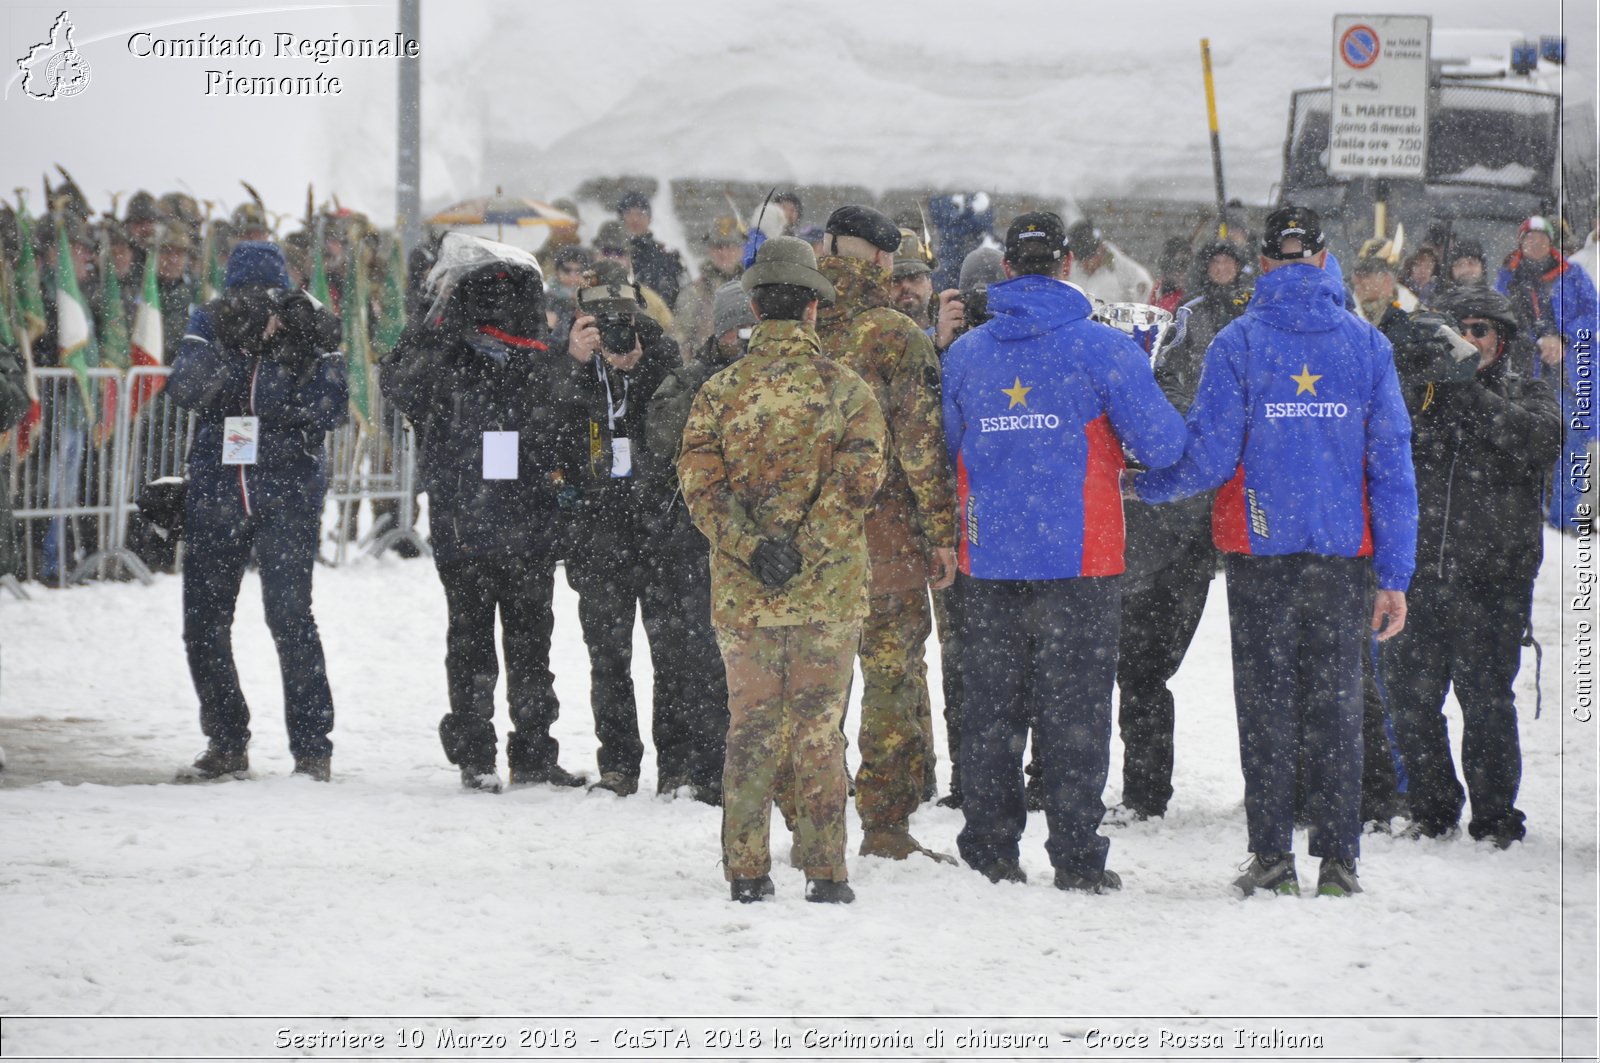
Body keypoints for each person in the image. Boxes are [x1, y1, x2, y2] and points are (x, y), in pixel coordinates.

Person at [1130, 206, 1417, 897]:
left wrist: (1140, 483)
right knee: (1339, 704)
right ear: (1325, 259)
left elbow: (1208, 457)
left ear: (1262, 264)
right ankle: (1340, 859)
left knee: (1267, 707)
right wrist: (1396, 574)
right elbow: (1393, 467)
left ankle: (1272, 856)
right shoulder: (1366, 345)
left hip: (1260, 555)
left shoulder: (1238, 342)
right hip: (1344, 557)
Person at [942, 211, 1187, 893]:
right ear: (1067, 262)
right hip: (1081, 558)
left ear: (1008, 269)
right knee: (1076, 711)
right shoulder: (1105, 348)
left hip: (990, 560)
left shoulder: (966, 353)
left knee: (992, 708)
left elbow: (950, 446)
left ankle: (990, 851)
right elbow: (1166, 445)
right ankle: (1076, 854)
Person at [678, 235, 886, 904]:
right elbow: (859, 481)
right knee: (820, 733)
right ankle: (825, 870)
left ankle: (746, 870)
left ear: (756, 304)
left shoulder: (718, 392)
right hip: (826, 593)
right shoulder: (846, 389)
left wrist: (752, 545)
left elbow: (699, 487)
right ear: (813, 311)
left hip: (746, 597)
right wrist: (805, 543)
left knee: (751, 730)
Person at [380, 234, 588, 793]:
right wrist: (436, 320)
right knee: (477, 641)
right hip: (468, 525)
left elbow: (557, 427)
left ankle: (533, 754)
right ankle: (477, 753)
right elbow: (398, 382)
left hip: (518, 525)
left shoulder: (535, 362)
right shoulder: (444, 354)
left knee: (526, 643)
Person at [1382, 286, 1561, 846]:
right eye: (1460, 330)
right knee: (1411, 702)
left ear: (1502, 341)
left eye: (1482, 331)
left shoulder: (1530, 393)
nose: (1471, 340)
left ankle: (1495, 817)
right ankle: (1433, 810)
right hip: (1419, 578)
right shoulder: (1421, 395)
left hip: (1494, 584)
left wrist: (1468, 392)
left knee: (1486, 703)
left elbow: (1537, 440)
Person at [165, 241, 348, 782]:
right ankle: (226, 741)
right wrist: (238, 347)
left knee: (290, 617)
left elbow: (332, 404)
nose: (258, 305)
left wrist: (291, 352)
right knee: (203, 622)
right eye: (245, 295)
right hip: (218, 490)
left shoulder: (310, 322)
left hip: (288, 492)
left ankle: (313, 749)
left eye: (268, 294)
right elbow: (185, 387)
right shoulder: (212, 319)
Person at [816, 204, 958, 862]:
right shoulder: (894, 334)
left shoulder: (792, 324)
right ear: (881, 259)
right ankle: (885, 824)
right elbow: (921, 448)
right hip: (886, 537)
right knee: (892, 678)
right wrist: (941, 532)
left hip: (804, 541)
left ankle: (810, 820)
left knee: (813, 683)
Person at [1112, 240, 1250, 821]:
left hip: (1192, 534)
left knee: (1146, 669)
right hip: (1162, 533)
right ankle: (1143, 793)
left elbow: (1189, 445)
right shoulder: (1182, 335)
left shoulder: (1231, 348)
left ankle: (1147, 792)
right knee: (1140, 669)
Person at [556, 262, 678, 796]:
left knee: (671, 655)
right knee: (608, 658)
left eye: (620, 317)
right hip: (596, 530)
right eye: (598, 318)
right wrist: (574, 366)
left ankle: (676, 766)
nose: (612, 329)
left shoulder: (664, 357)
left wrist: (639, 368)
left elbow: (676, 428)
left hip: (656, 530)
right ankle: (619, 765)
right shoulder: (567, 361)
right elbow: (549, 431)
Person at [637, 281, 756, 804]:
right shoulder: (686, 383)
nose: (747, 339)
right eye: (738, 330)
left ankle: (734, 766)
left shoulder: (773, 382)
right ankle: (683, 765)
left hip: (750, 546)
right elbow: (662, 445)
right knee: (683, 659)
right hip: (687, 543)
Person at [1496, 215, 1599, 533]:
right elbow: (1503, 318)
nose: (1536, 244)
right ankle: (1529, 512)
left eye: (1542, 238)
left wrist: (1564, 338)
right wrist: (1537, 341)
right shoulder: (1509, 277)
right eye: (1530, 238)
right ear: (1520, 241)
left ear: (1551, 242)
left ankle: (1567, 515)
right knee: (1531, 441)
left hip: (1572, 374)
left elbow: (1593, 314)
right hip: (1528, 373)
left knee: (1574, 439)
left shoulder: (1573, 273)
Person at [672, 215, 745, 354]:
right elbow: (680, 337)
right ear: (710, 251)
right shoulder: (696, 291)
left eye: (730, 246)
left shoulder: (753, 289)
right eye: (718, 247)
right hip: (709, 367)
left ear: (741, 250)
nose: (724, 253)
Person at [615, 190, 685, 308]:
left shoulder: (667, 256)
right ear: (621, 218)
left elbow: (680, 297)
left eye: (641, 213)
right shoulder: (610, 253)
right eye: (629, 213)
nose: (635, 219)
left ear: (649, 218)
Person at [1066, 219, 1153, 304]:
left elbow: (1144, 296)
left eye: (1088, 259)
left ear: (1101, 249)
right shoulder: (1071, 271)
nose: (1084, 265)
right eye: (1080, 260)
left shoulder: (1128, 272)